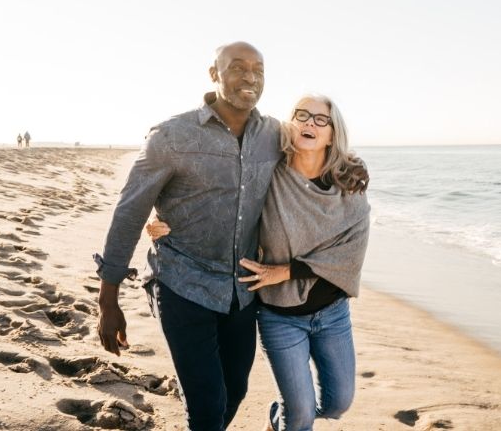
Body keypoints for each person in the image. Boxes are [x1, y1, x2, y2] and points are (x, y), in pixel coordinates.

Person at [94, 42, 368, 431]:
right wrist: (108, 299)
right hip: (181, 283)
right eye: (238, 68)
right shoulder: (172, 136)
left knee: (234, 391)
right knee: (207, 407)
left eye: (258, 69)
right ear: (214, 74)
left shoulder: (275, 134)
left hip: (241, 292)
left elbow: (320, 148)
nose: (250, 77)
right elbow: (129, 211)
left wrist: (353, 164)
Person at [147, 94, 370, 431]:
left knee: (338, 403)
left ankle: (275, 416)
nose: (310, 123)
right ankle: (287, 417)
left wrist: (286, 271)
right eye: (302, 115)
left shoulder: (347, 181)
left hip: (333, 313)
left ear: (332, 133)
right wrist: (168, 219)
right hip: (279, 315)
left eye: (320, 119)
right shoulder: (268, 172)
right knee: (300, 416)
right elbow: (218, 197)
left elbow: (351, 250)